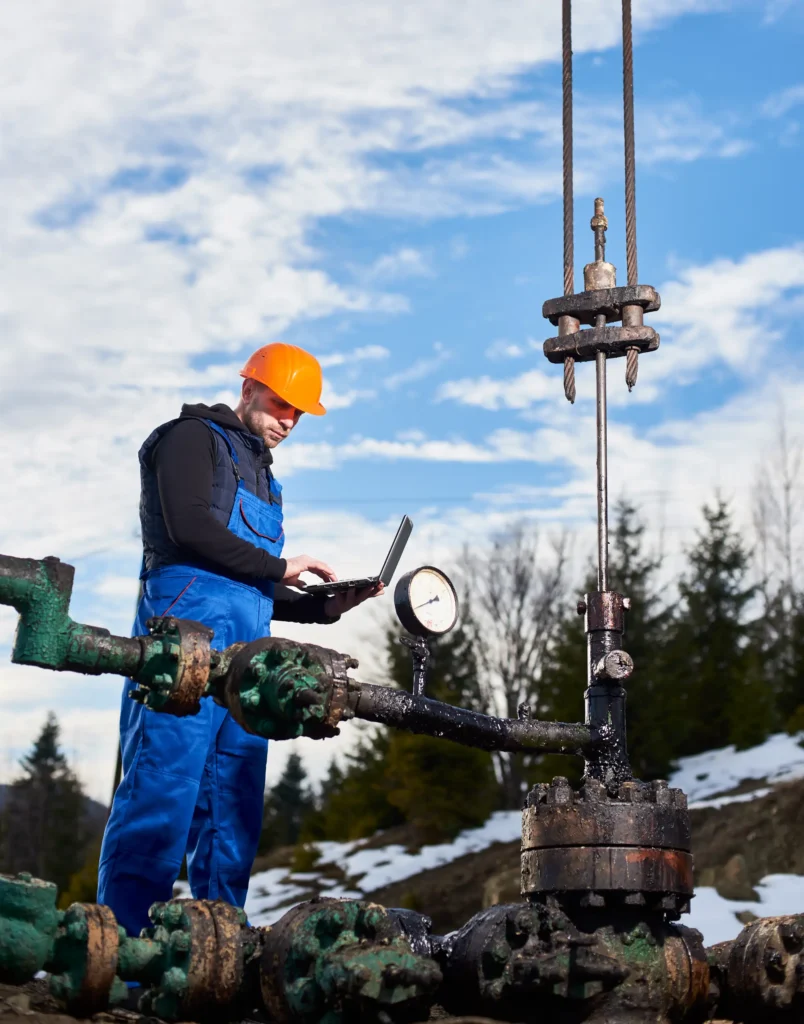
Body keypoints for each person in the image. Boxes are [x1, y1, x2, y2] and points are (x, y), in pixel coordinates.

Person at [98, 342, 381, 935]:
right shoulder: (189, 438)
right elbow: (191, 528)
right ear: (249, 387)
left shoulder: (264, 476)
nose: (288, 421)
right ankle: (118, 952)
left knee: (234, 806)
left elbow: (250, 582)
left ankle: (217, 949)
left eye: (300, 414)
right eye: (282, 404)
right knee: (163, 789)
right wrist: (280, 568)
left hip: (248, 655)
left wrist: (320, 608)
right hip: (184, 638)